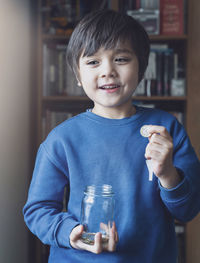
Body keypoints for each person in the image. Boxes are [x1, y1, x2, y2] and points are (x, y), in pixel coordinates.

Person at [23, 9, 200, 263]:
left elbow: (188, 210)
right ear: (77, 75)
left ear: (141, 67)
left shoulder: (166, 129)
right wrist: (73, 234)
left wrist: (168, 173)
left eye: (121, 59)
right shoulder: (61, 139)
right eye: (93, 62)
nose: (107, 71)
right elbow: (38, 210)